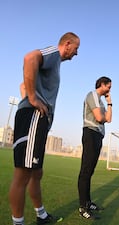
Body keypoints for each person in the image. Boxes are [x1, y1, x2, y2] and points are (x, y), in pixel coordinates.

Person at [9, 32, 80, 225]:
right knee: (22, 174)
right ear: (67, 44)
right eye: (76, 48)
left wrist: (29, 93)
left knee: (36, 173)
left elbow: (23, 83)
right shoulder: (53, 53)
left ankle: (41, 215)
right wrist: (32, 98)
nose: (76, 53)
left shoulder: (55, 64)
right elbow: (29, 57)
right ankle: (18, 223)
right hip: (32, 117)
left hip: (40, 122)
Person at [78, 76, 112, 219]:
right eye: (108, 87)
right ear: (102, 84)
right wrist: (103, 116)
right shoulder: (92, 95)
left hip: (98, 136)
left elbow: (109, 119)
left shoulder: (102, 102)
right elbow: (99, 118)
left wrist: (110, 103)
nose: (109, 90)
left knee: (90, 171)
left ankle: (88, 202)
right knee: (86, 171)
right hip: (90, 133)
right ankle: (82, 207)